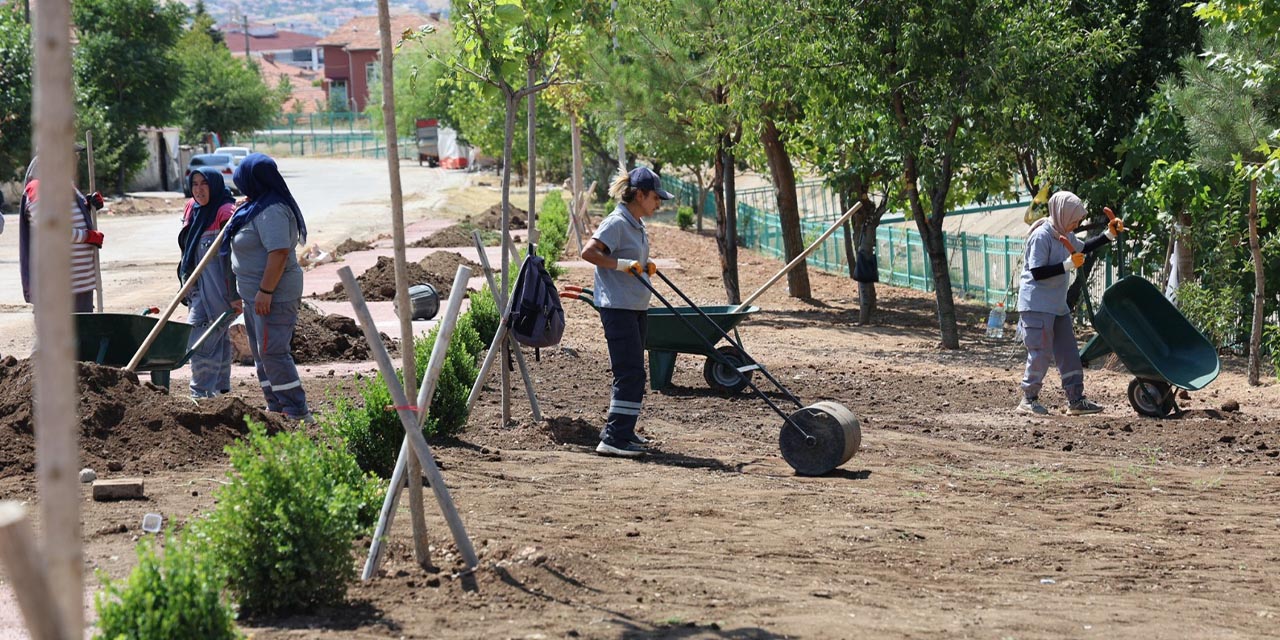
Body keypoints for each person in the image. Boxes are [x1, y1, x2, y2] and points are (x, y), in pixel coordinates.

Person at [580, 166, 672, 457]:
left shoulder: (635, 223)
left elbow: (626, 257)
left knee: (634, 372)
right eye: (656, 198)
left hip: (633, 305)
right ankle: (613, 439)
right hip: (617, 306)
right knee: (629, 372)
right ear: (641, 194)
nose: (659, 203)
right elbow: (589, 253)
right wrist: (622, 265)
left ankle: (623, 431)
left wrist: (645, 266)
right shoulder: (617, 222)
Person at [1016, 190, 1124, 416]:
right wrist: (1067, 265)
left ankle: (1076, 399)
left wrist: (1109, 234)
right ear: (1063, 213)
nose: (1078, 222)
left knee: (1068, 352)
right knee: (1041, 352)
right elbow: (1036, 272)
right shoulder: (1042, 236)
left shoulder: (1062, 232)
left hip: (1056, 305)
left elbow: (1083, 248)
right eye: (1075, 218)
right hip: (1036, 305)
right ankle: (1028, 399)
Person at [223, 153, 313, 423]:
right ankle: (276, 406)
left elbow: (279, 254)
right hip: (255, 294)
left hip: (273, 294)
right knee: (262, 353)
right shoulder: (258, 206)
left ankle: (297, 411)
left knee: (273, 351)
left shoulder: (272, 210)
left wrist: (266, 291)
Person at [18, 150, 104, 313]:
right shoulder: (36, 189)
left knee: (84, 335)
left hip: (82, 284)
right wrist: (87, 237)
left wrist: (90, 204)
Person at [180, 167, 240, 398]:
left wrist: (235, 294)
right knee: (214, 337)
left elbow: (232, 257)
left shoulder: (225, 211)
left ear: (214, 185)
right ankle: (220, 390)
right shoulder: (192, 210)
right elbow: (186, 250)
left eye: (204, 183)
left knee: (204, 340)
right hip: (197, 289)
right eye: (194, 184)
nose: (198, 189)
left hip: (220, 288)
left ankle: (200, 393)